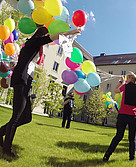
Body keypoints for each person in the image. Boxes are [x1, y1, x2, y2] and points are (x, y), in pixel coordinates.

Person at [0, 25, 81, 157]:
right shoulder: (35, 42)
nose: (47, 38)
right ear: (42, 35)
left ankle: (1, 133)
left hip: (24, 81)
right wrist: (71, 32)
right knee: (16, 116)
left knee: (26, 117)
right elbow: (55, 37)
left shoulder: (32, 44)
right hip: (21, 80)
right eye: (46, 35)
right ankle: (7, 150)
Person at [103, 72, 136, 162]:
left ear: (130, 79)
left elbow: (116, 90)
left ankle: (107, 155)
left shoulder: (125, 86)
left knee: (118, 136)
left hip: (123, 115)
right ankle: (131, 158)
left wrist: (121, 82)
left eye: (126, 78)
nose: (126, 79)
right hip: (134, 116)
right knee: (132, 138)